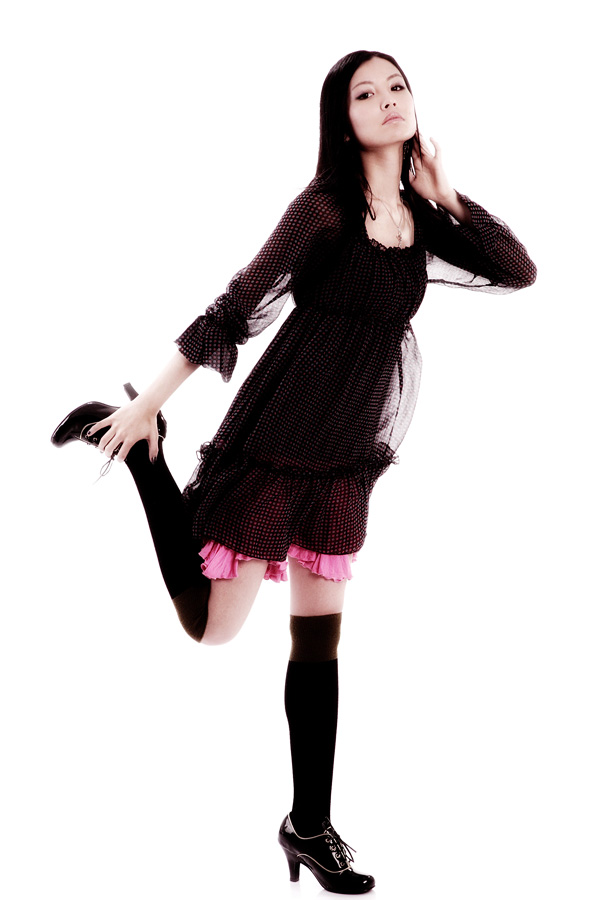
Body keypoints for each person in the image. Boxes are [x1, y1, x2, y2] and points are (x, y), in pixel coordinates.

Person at [51, 50, 537, 895]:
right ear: (341, 121)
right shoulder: (322, 210)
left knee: (318, 641)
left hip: (347, 457)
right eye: (365, 93)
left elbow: (517, 271)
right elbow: (234, 307)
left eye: (398, 87)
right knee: (214, 629)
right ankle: (143, 451)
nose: (388, 101)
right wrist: (147, 399)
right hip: (282, 433)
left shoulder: (424, 221)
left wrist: (450, 194)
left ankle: (310, 824)